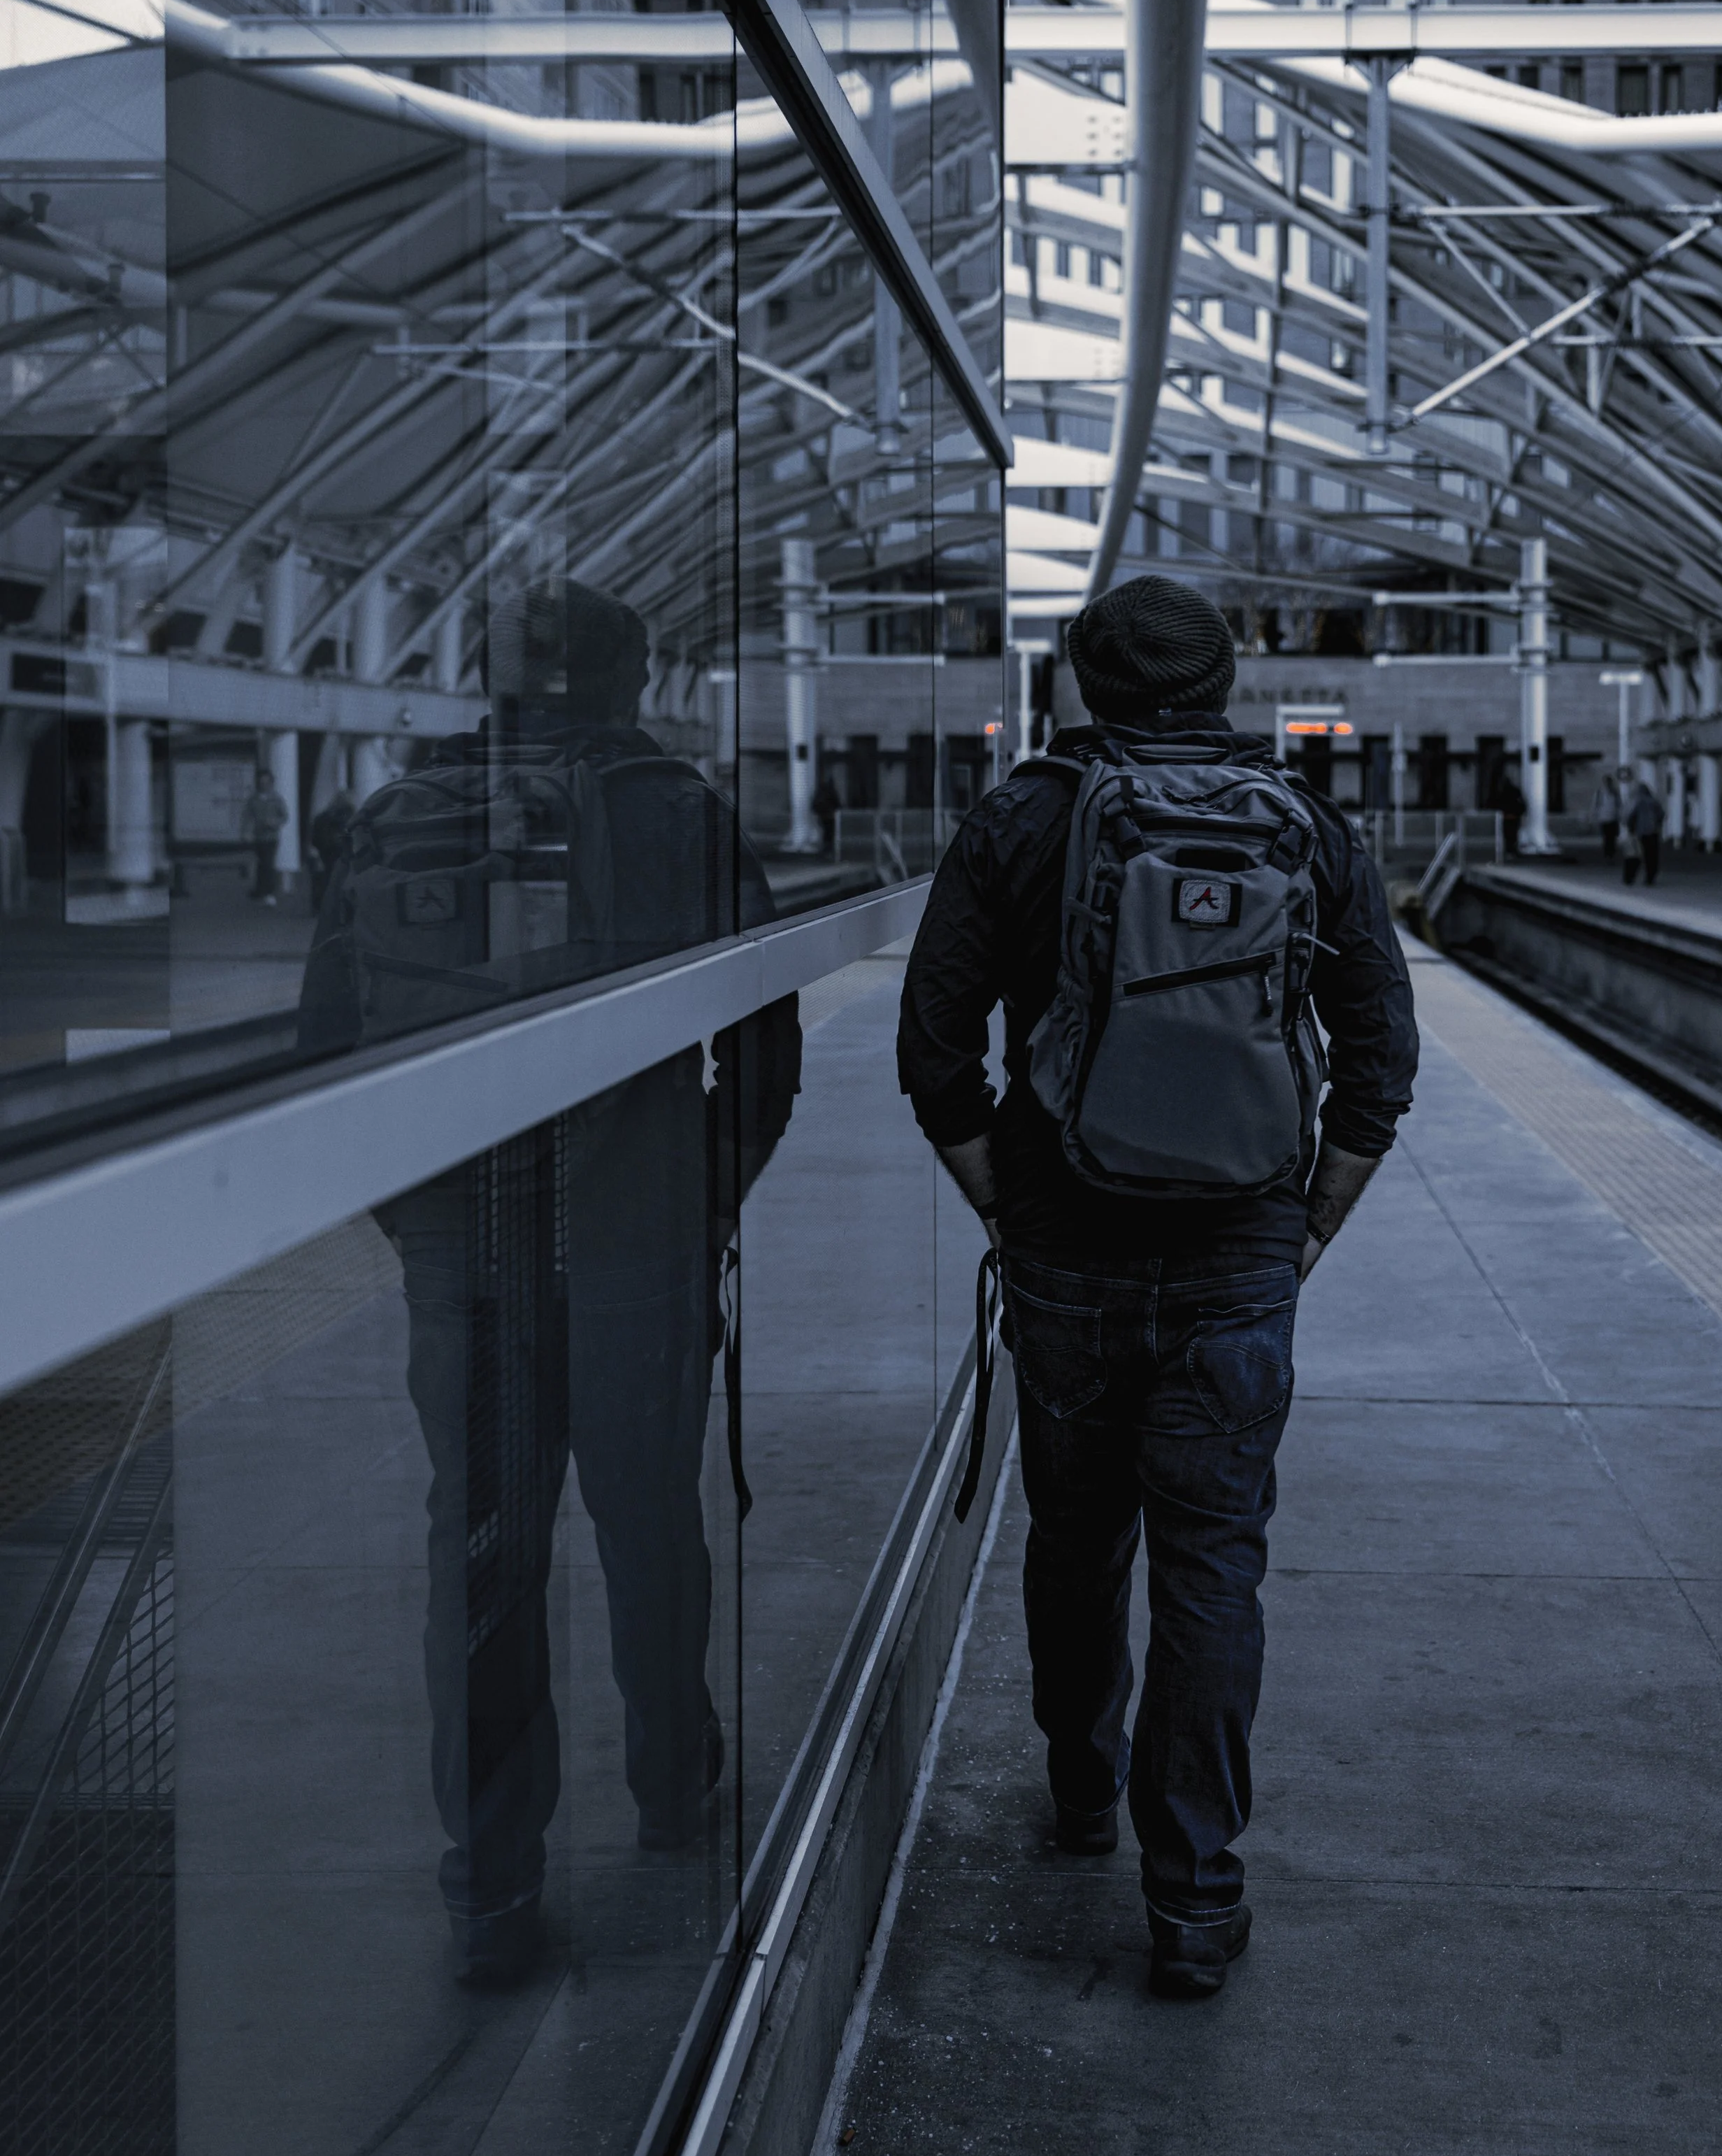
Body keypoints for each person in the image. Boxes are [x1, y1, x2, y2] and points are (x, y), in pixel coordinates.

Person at [896, 577, 1418, 2001]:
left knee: (1074, 1537)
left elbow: (932, 1050)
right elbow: (1379, 1062)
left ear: (1082, 679)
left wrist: (1006, 1205)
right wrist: (1301, 1235)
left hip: (1061, 1235)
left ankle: (1079, 1784)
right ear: (1227, 679)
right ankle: (1192, 1901)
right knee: (1212, 1563)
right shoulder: (1307, 824)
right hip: (1241, 1246)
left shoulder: (1021, 815)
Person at [299, 584, 802, 1986]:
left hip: (468, 1249)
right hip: (631, 1233)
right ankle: (666, 1789)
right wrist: (699, 1198)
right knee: (647, 1528)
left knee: (478, 1548)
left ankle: (494, 1885)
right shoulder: (673, 812)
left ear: (491, 676)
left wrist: (425, 1228)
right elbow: (762, 1047)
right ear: (633, 678)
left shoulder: (398, 813)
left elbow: (325, 1043)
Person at [242, 766, 288, 906]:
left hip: (271, 837)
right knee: (261, 863)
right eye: (262, 783)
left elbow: (284, 816)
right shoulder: (254, 799)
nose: (264, 785)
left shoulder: (276, 798)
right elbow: (247, 816)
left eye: (266, 783)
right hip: (258, 836)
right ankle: (260, 889)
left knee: (268, 863)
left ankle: (269, 891)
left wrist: (275, 823)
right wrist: (246, 832)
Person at [1623, 773, 1665, 885]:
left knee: (1636, 855)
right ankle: (1650, 878)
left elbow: (1631, 816)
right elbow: (1662, 815)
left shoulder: (1637, 802)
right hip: (1653, 832)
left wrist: (1631, 829)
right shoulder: (1654, 802)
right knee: (1652, 856)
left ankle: (1629, 878)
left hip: (1640, 832)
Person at [1493, 766, 1526, 859]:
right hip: (1514, 817)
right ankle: (1512, 851)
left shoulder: (1502, 793)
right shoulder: (1515, 792)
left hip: (1507, 817)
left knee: (1508, 836)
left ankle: (1509, 851)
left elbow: (1498, 804)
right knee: (1513, 836)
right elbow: (1522, 804)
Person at [1591, 770, 1621, 862]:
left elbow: (1619, 806)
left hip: (1613, 819)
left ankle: (1611, 854)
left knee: (1612, 838)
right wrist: (1593, 816)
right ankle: (1607, 854)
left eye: (1609, 782)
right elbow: (1595, 806)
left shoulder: (1615, 793)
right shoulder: (1600, 793)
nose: (1607, 784)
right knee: (1606, 838)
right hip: (1604, 819)